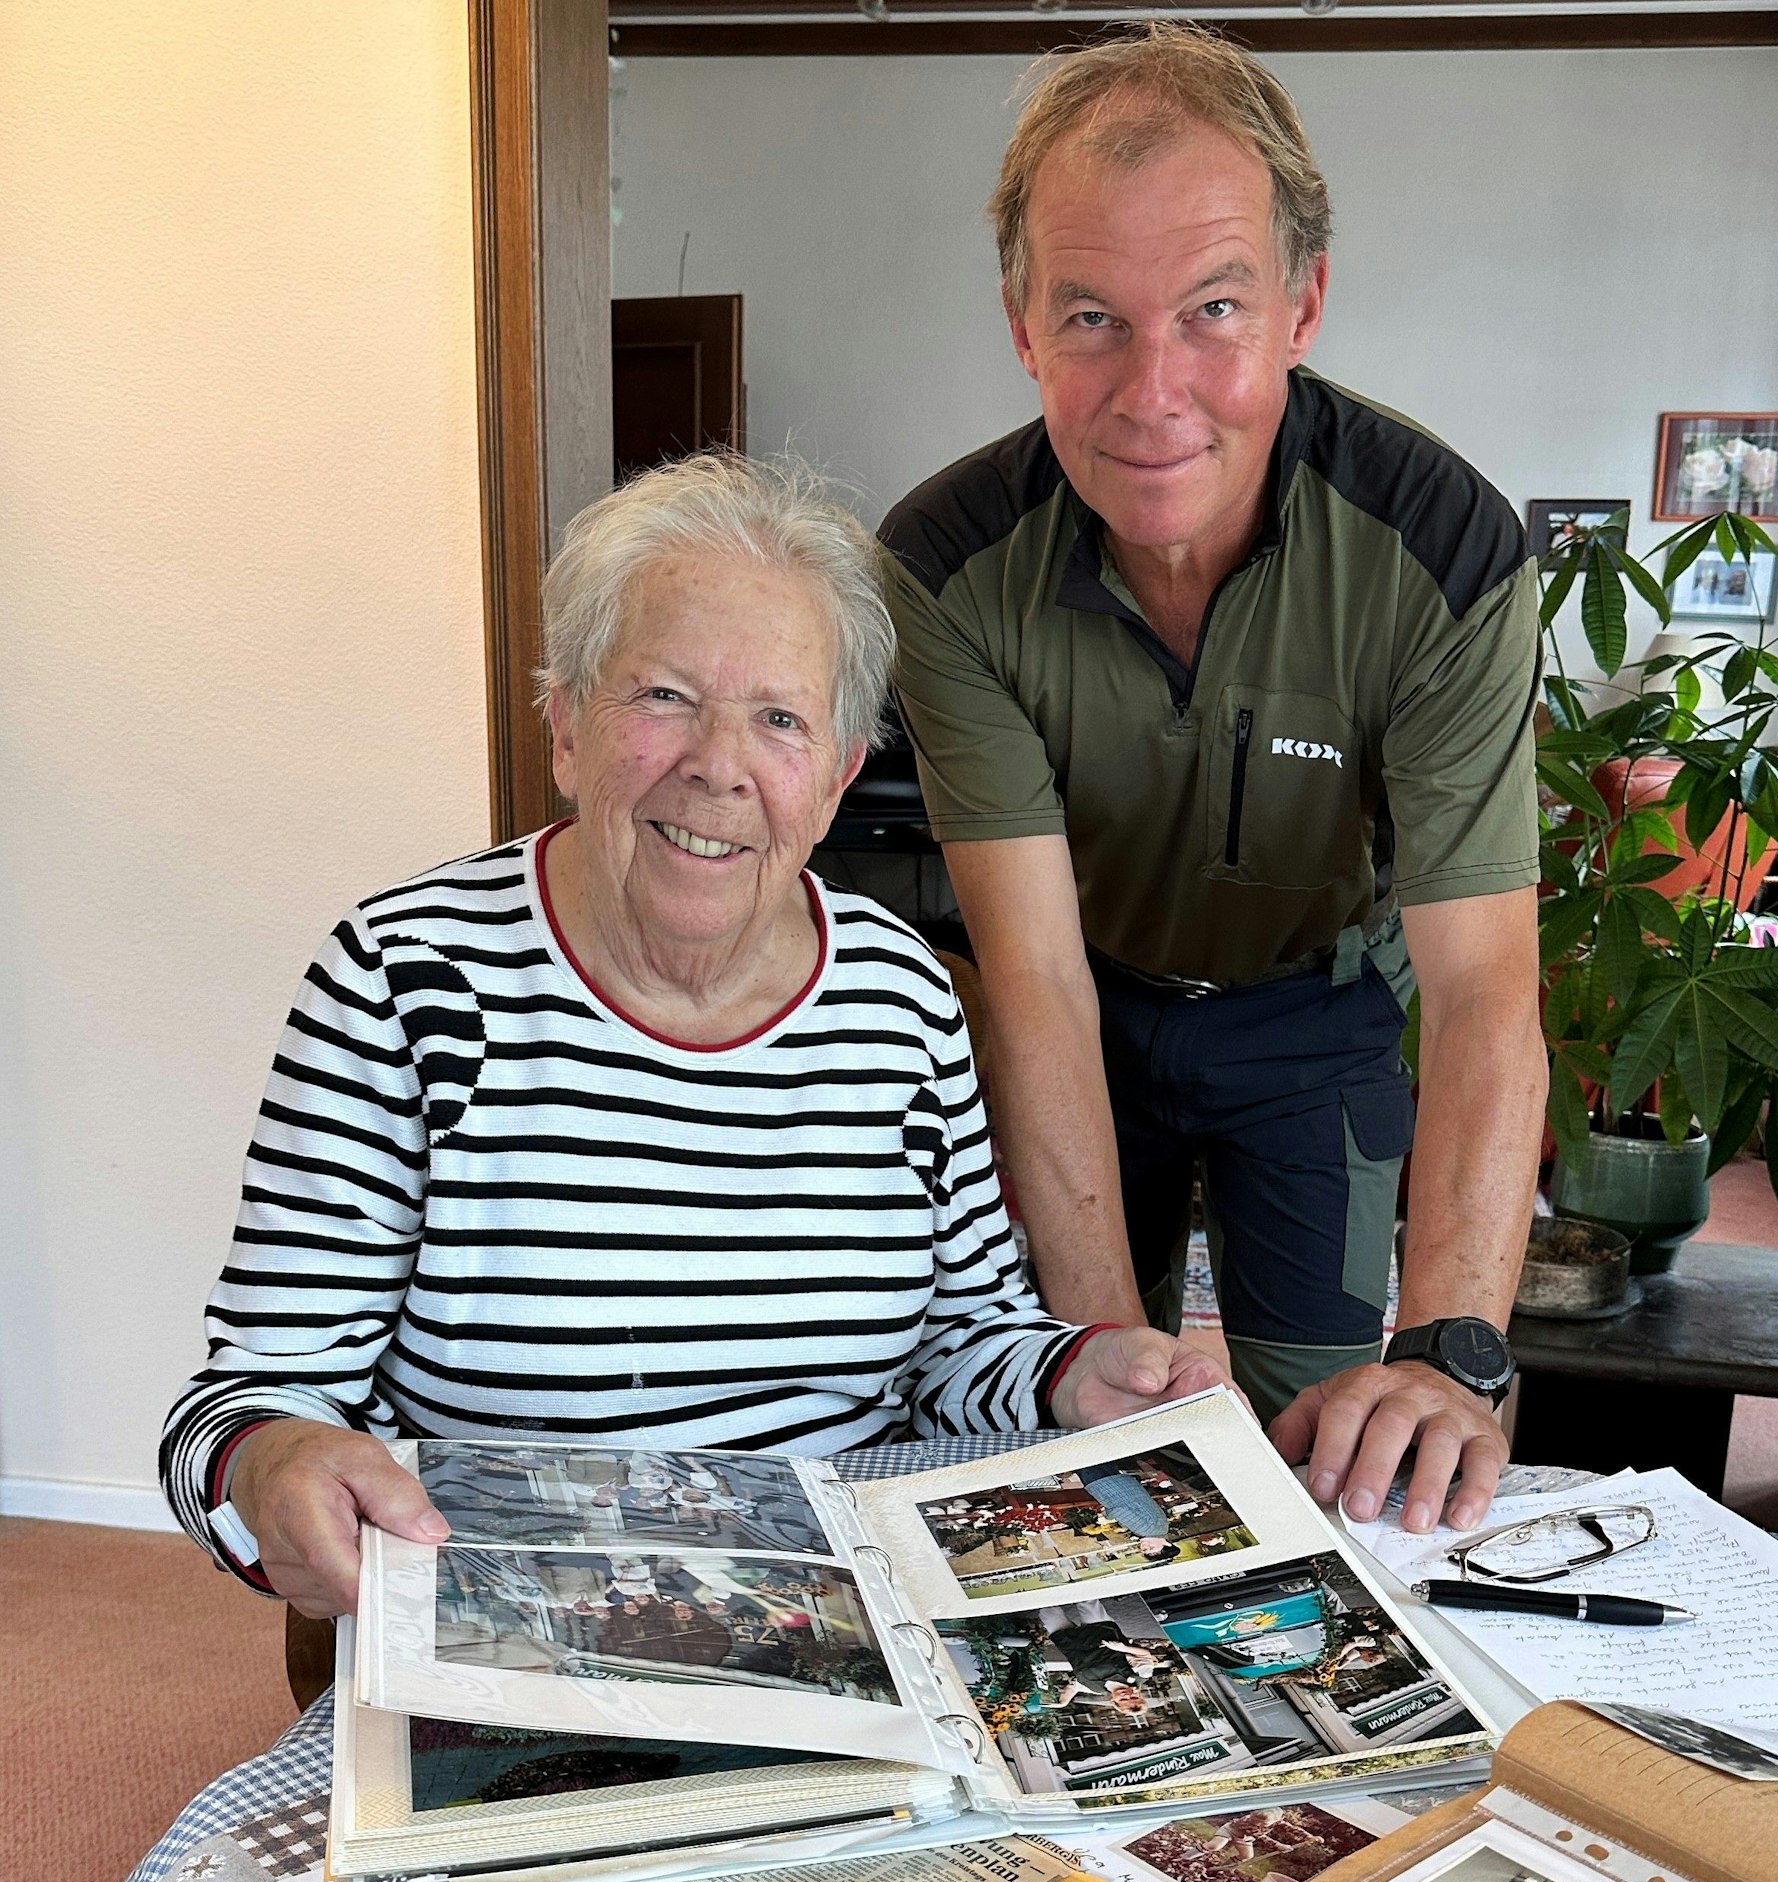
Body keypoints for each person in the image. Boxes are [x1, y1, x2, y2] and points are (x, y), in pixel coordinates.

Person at [161, 453, 1224, 1620]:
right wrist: (268, 1466)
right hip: (520, 1619)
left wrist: (1075, 1373)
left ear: (833, 778)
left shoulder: (902, 997)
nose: (719, 766)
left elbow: (962, 1347)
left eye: (779, 719)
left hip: (845, 1624)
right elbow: (240, 1405)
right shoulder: (402, 978)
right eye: (663, 694)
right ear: (566, 724)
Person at [878, 23, 1542, 1537]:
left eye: (1214, 309)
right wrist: (1104, 1352)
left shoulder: (1444, 553)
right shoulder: (943, 567)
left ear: (1303, 304)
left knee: (1350, 1455)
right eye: (1094, 316)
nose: (1153, 391)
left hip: (1317, 1019)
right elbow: (1031, 975)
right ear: (1021, 325)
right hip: (1084, 1009)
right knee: (1084, 1453)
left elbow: (1487, 983)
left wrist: (1448, 1348)